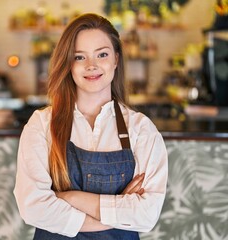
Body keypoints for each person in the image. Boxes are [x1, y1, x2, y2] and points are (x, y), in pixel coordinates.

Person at [13, 13, 168, 239]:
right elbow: (33, 207)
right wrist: (116, 214)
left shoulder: (142, 130)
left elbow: (146, 215)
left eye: (102, 54)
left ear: (116, 59)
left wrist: (70, 198)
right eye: (79, 57)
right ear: (67, 64)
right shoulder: (41, 124)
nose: (91, 66)